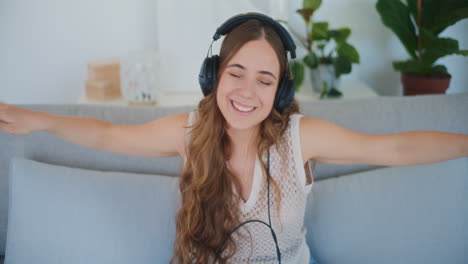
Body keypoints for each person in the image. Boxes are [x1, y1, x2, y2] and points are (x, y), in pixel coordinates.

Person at [0, 12, 467, 264]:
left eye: (265, 79)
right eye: (236, 73)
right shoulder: (188, 133)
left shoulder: (301, 139)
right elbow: (106, 134)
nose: (247, 92)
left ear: (280, 90)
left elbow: (396, 148)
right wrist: (40, 119)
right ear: (213, 76)